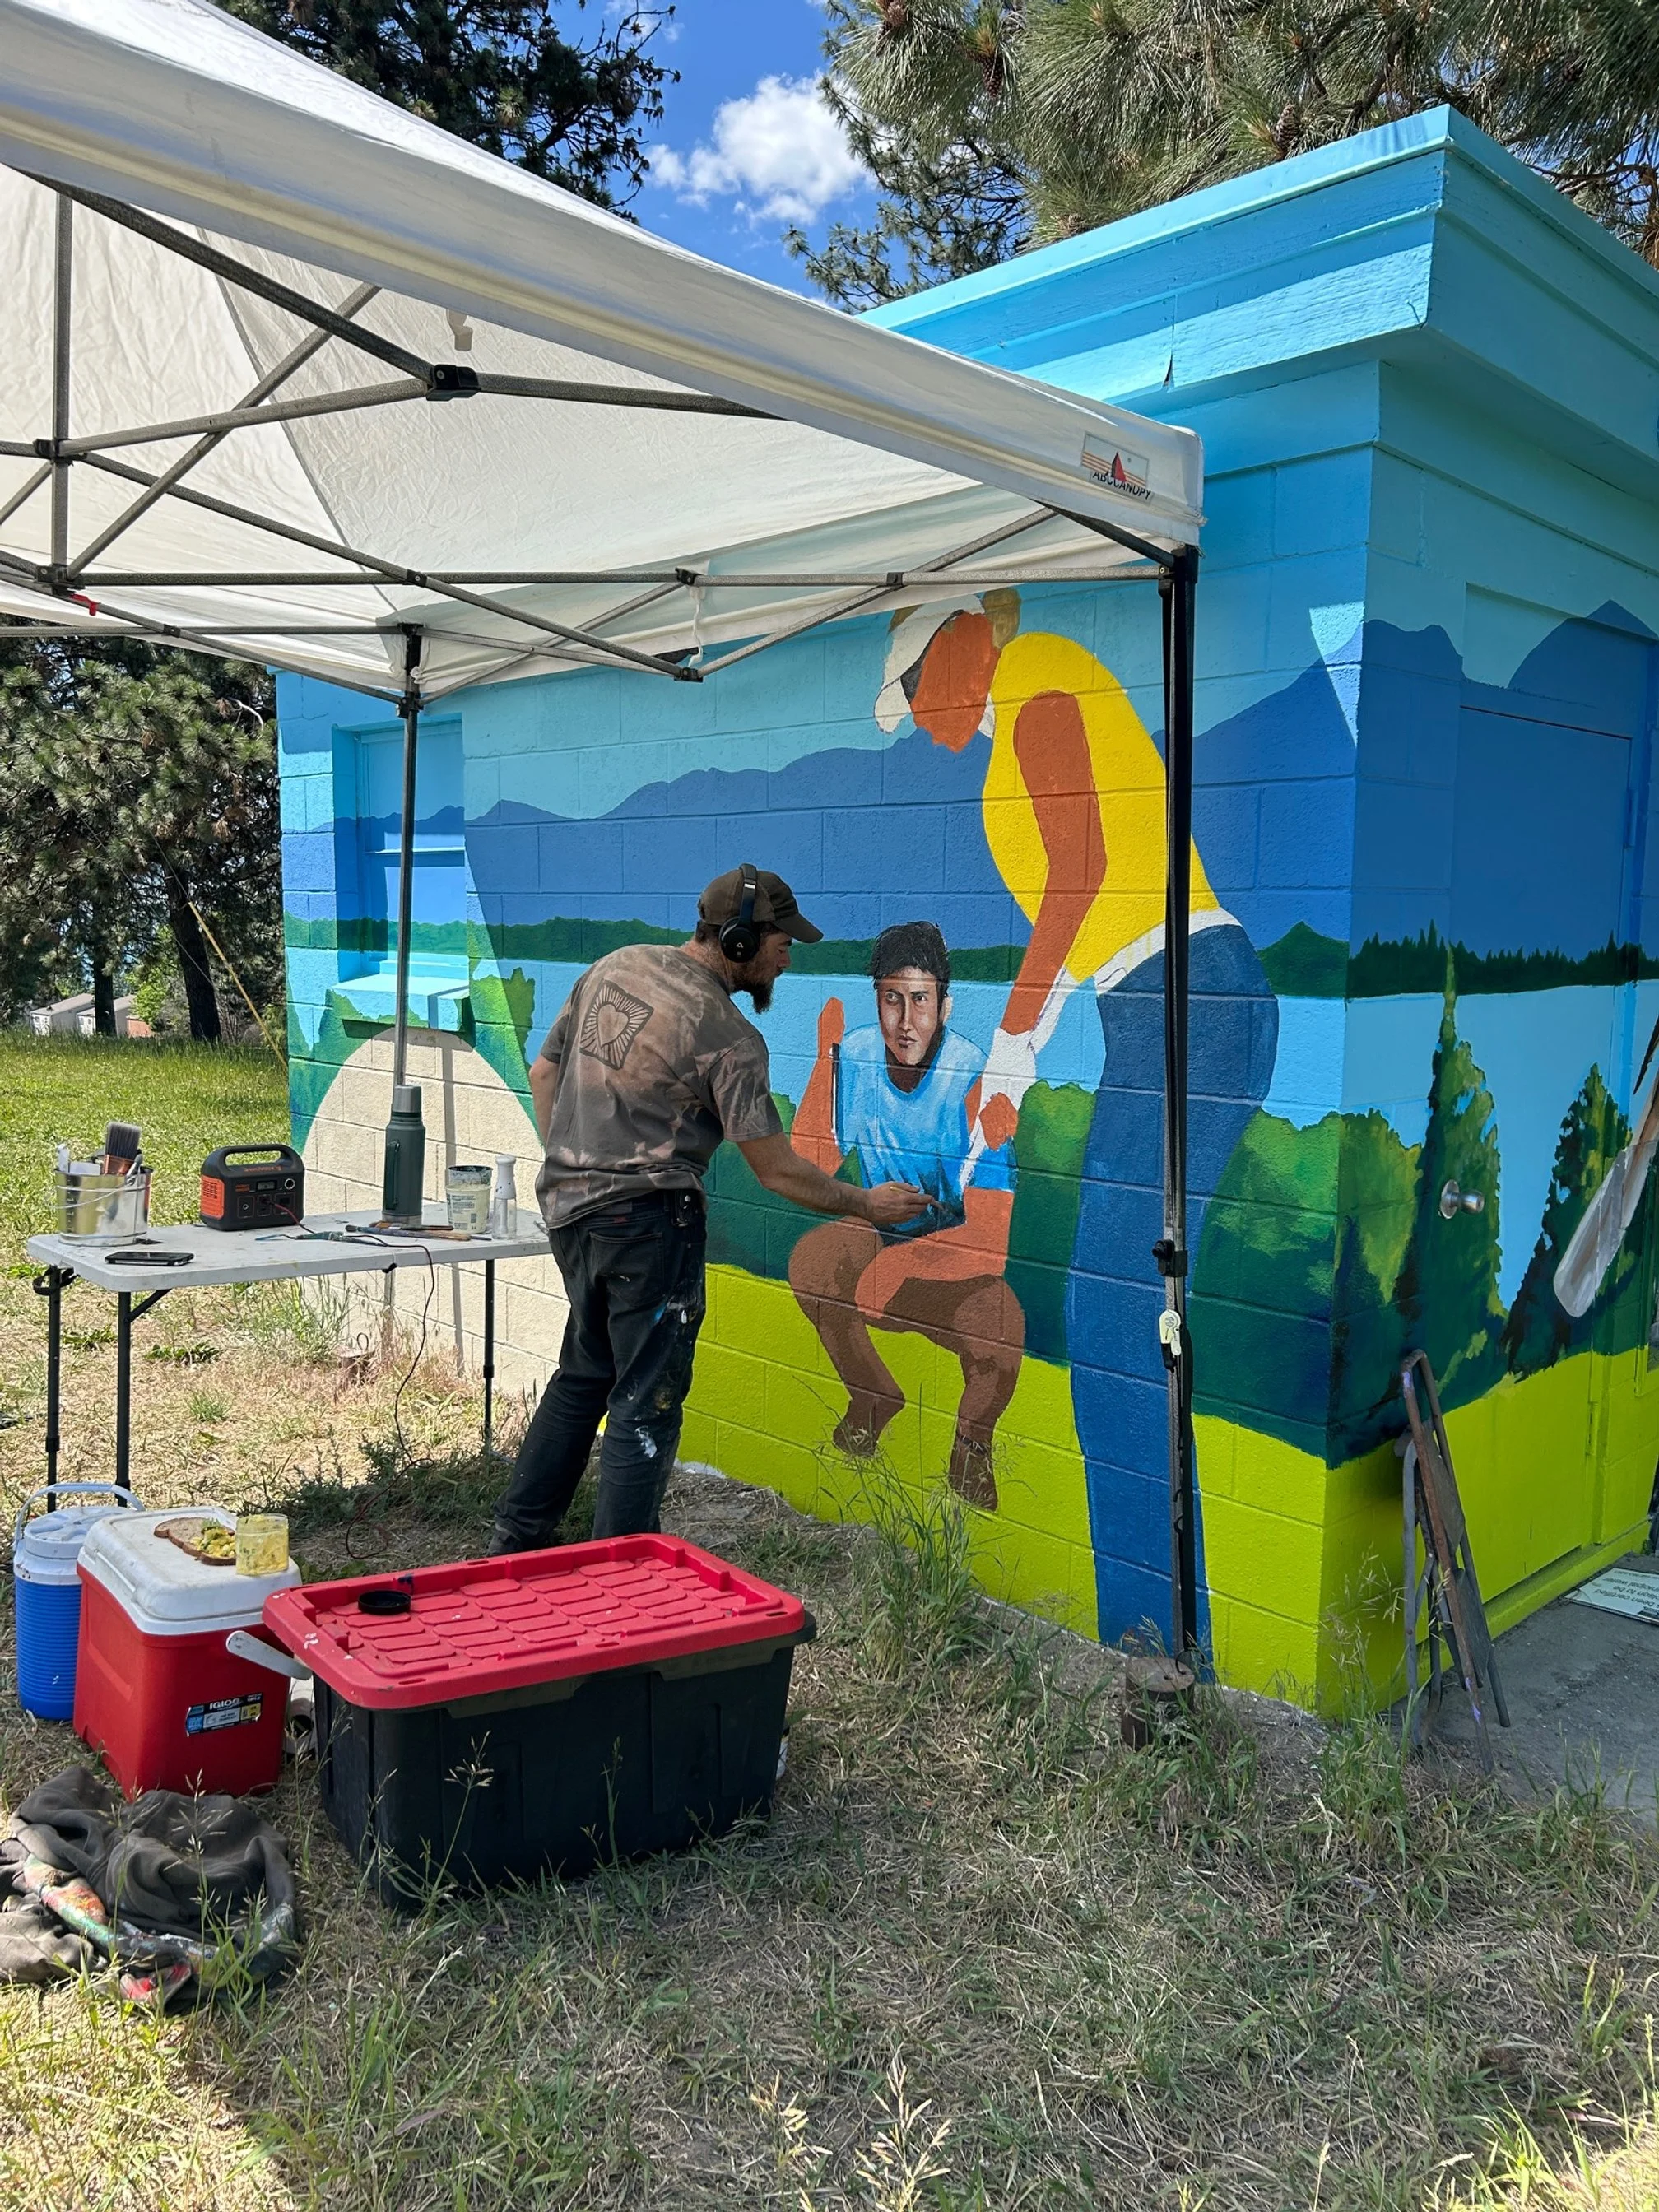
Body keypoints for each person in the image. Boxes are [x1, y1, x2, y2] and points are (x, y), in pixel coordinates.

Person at [877, 594, 1279, 1641]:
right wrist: (1011, 1078)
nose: (920, 719)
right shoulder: (1011, 735)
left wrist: (1011, 1050)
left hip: (1190, 1000)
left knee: (1108, 1327)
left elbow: (1081, 872)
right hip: (1157, 1012)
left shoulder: (1040, 679)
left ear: (960, 640)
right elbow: (1084, 904)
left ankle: (1152, 1644)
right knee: (1119, 1327)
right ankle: (1159, 1634)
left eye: (916, 690)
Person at [490, 864, 927, 1553]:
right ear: (740, 941)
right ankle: (623, 1573)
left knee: (586, 1374)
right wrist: (865, 1204)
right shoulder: (727, 1035)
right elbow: (775, 1169)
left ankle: (517, 1541)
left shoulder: (614, 967)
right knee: (646, 1403)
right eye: (782, 943)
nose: (788, 958)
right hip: (647, 1225)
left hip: (571, 1212)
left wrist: (577, 1158)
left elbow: (545, 1072)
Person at [788, 921, 1024, 1509]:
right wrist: (825, 1060)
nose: (904, 1020)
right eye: (891, 999)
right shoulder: (861, 1055)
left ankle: (970, 1452)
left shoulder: (973, 1082)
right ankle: (872, 1397)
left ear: (944, 1004)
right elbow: (813, 1160)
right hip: (880, 1245)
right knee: (816, 1259)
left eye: (920, 1000)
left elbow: (991, 1242)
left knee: (1002, 1331)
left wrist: (908, 1266)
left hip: (955, 1263)